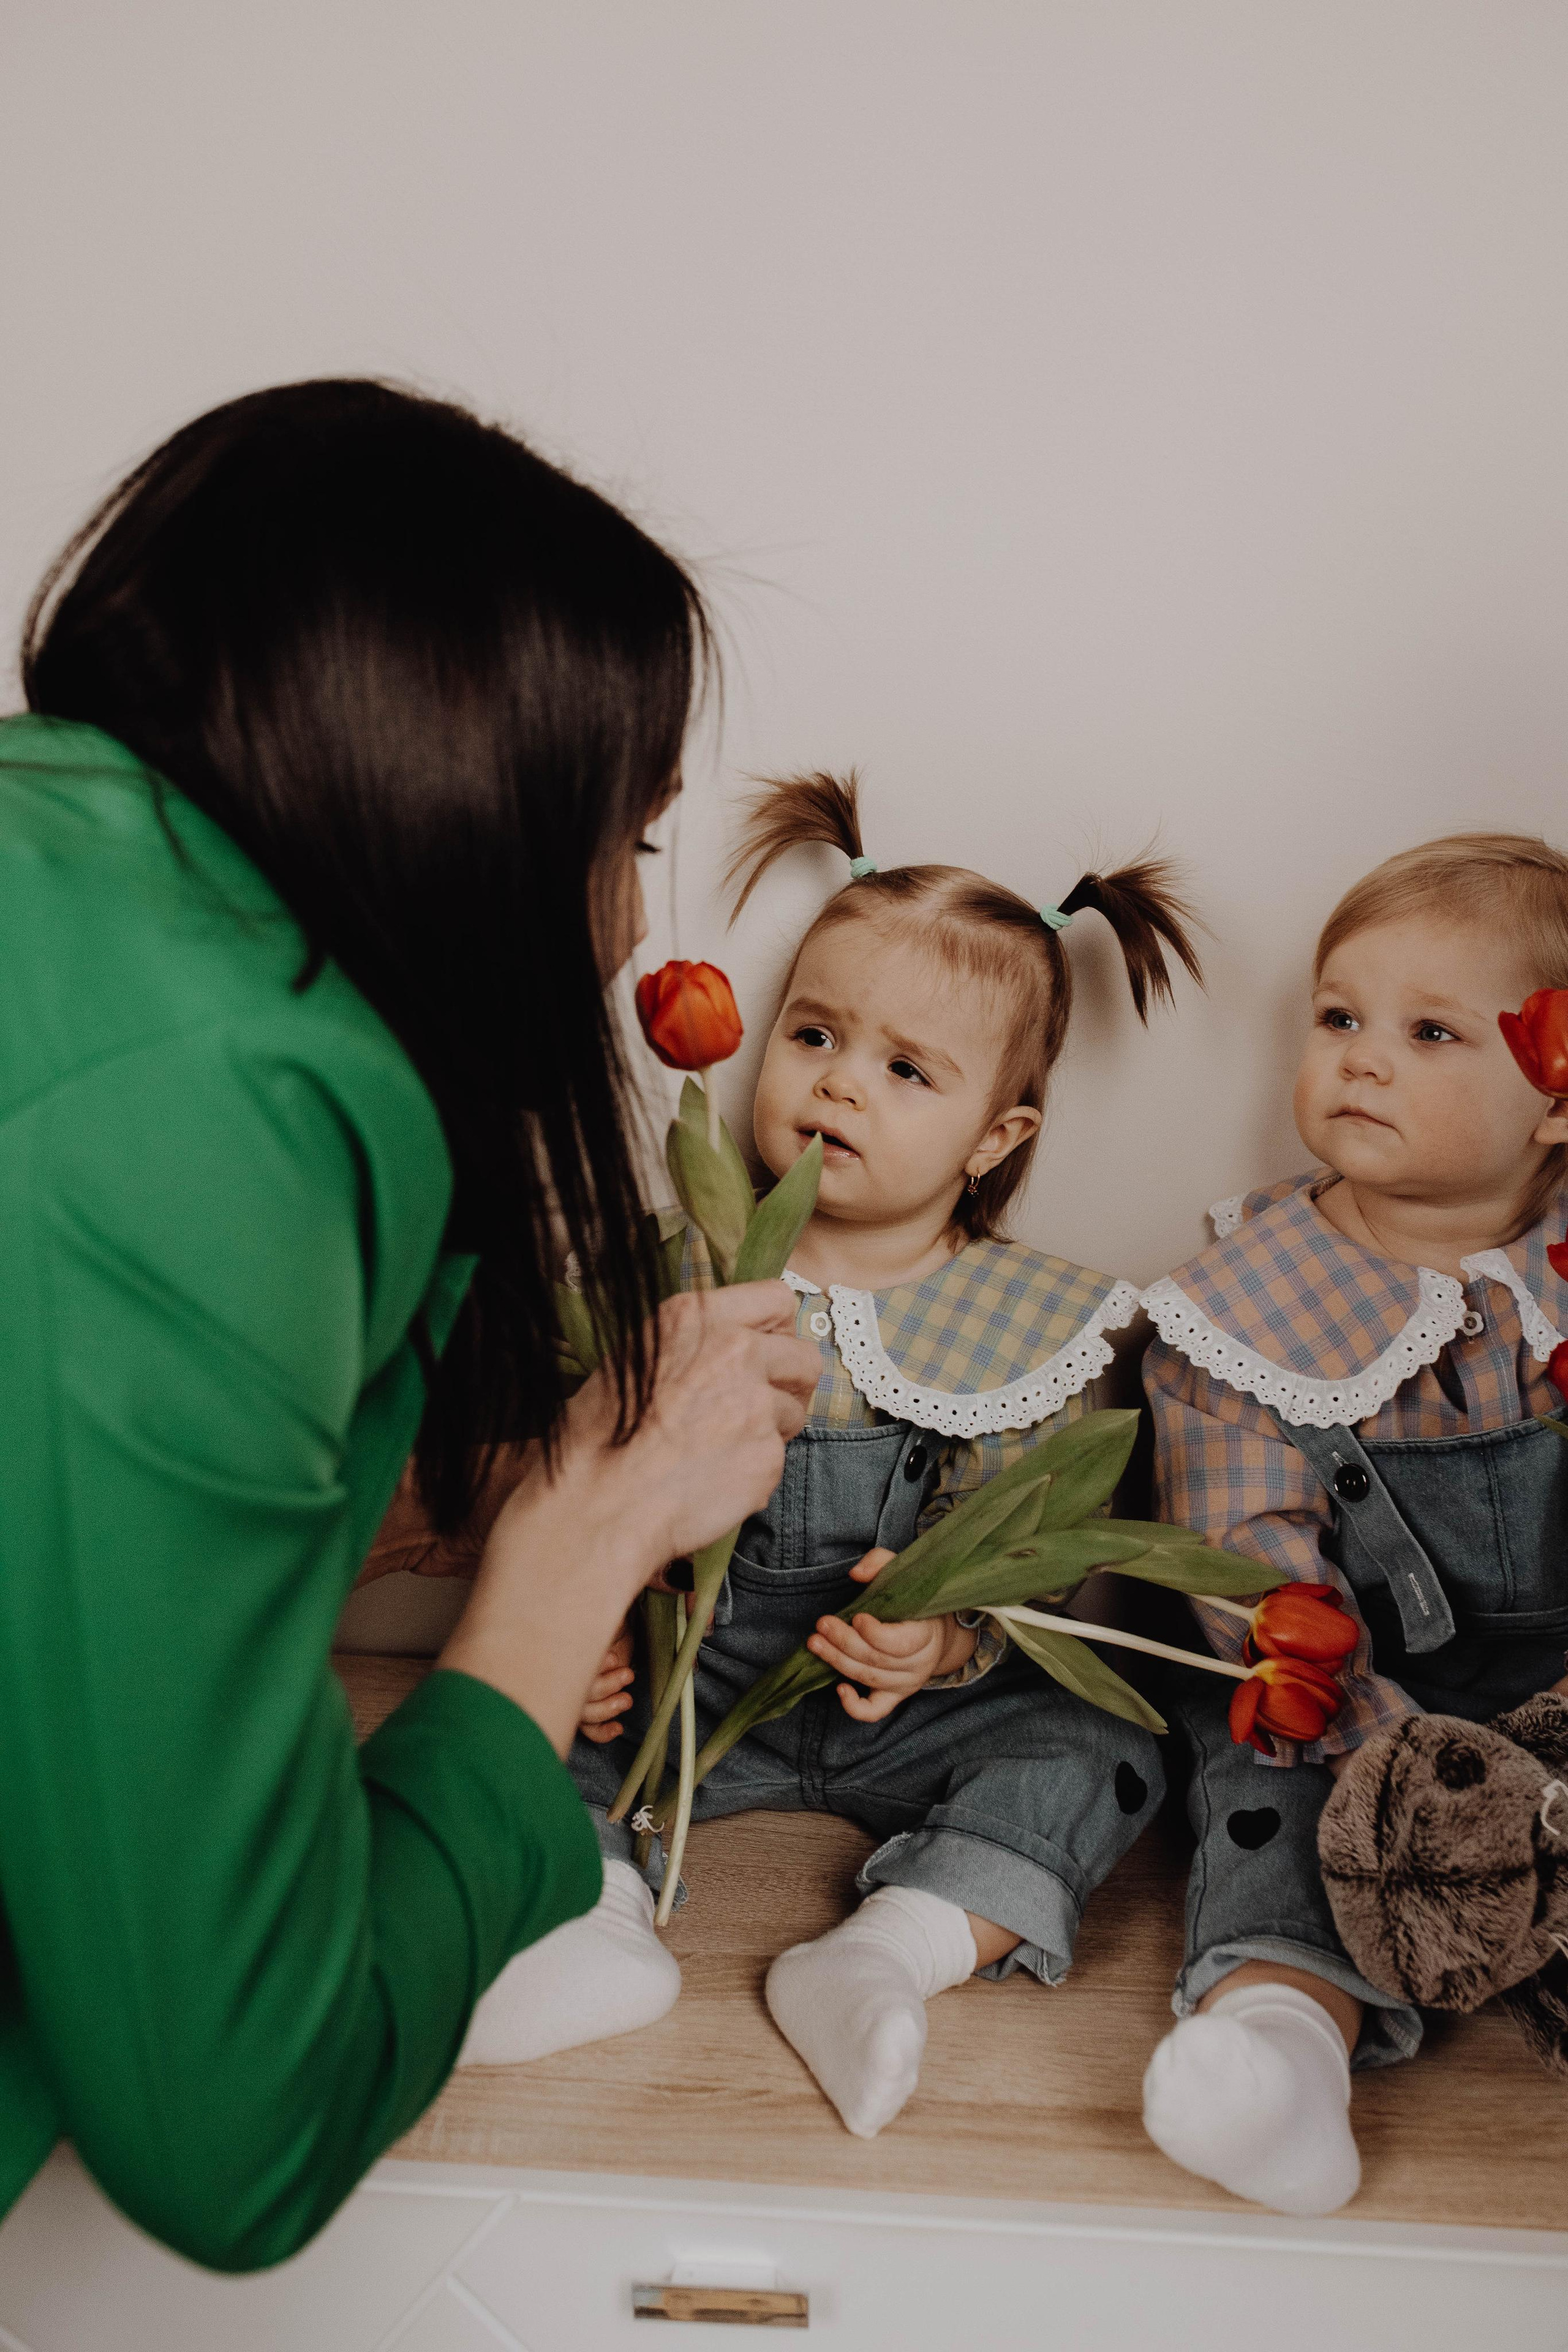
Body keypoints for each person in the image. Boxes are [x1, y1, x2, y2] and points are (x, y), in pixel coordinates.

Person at [0, 380, 820, 2269]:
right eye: (628, 844)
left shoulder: (68, 878)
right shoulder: (213, 1114)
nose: (628, 932)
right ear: (462, 807)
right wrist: (583, 1542)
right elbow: (241, 2129)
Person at [463, 771, 1204, 2140]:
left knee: (1099, 1739)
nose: (837, 1083)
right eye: (814, 1035)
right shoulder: (670, 1264)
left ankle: (891, 1951)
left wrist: (941, 1645)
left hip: (907, 1718)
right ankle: (592, 1917)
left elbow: (1015, 1547)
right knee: (540, 1721)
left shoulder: (1023, 1320)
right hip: (689, 1699)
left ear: (994, 1137)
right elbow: (583, 1463)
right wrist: (594, 1626)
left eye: (903, 1070)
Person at [1138, 834, 1568, 2217]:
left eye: (1428, 1031)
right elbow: (1247, 1572)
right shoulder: (1238, 1306)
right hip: (1350, 1712)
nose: (1361, 1058)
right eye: (1337, 1018)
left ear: (1554, 1093)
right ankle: (1278, 2050)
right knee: (1256, 1796)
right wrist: (1383, 1755)